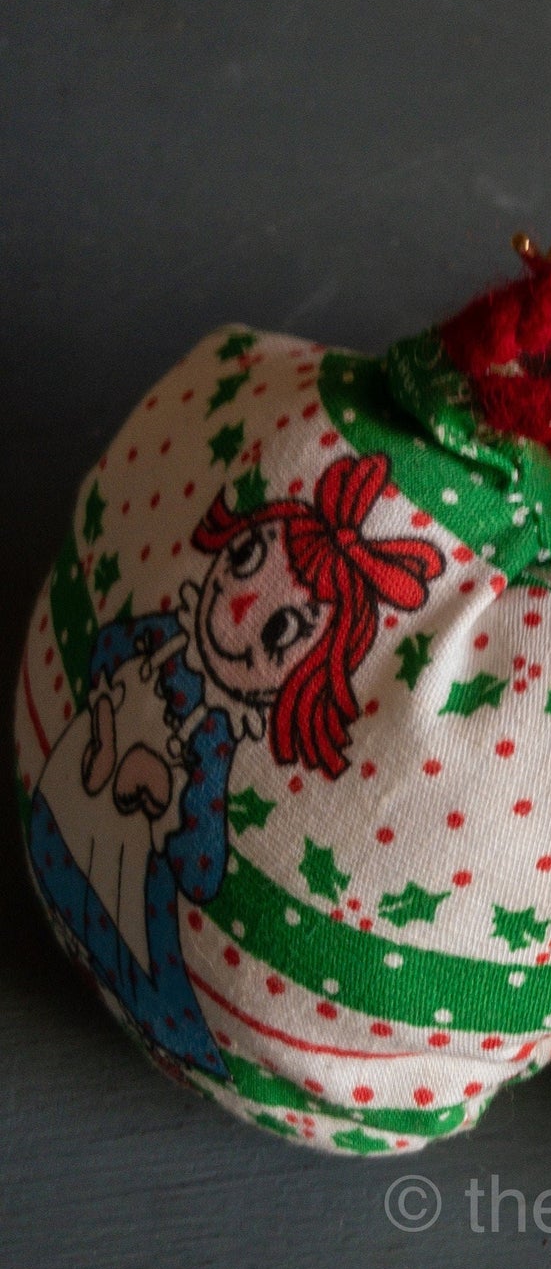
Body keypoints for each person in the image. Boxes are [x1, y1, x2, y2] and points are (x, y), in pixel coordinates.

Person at [28, 452, 444, 1074]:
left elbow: (200, 868)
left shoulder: (215, 739)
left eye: (281, 629)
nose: (240, 611)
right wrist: (112, 713)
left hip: (124, 869)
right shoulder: (157, 639)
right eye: (247, 560)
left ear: (307, 675)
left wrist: (165, 796)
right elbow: (105, 653)